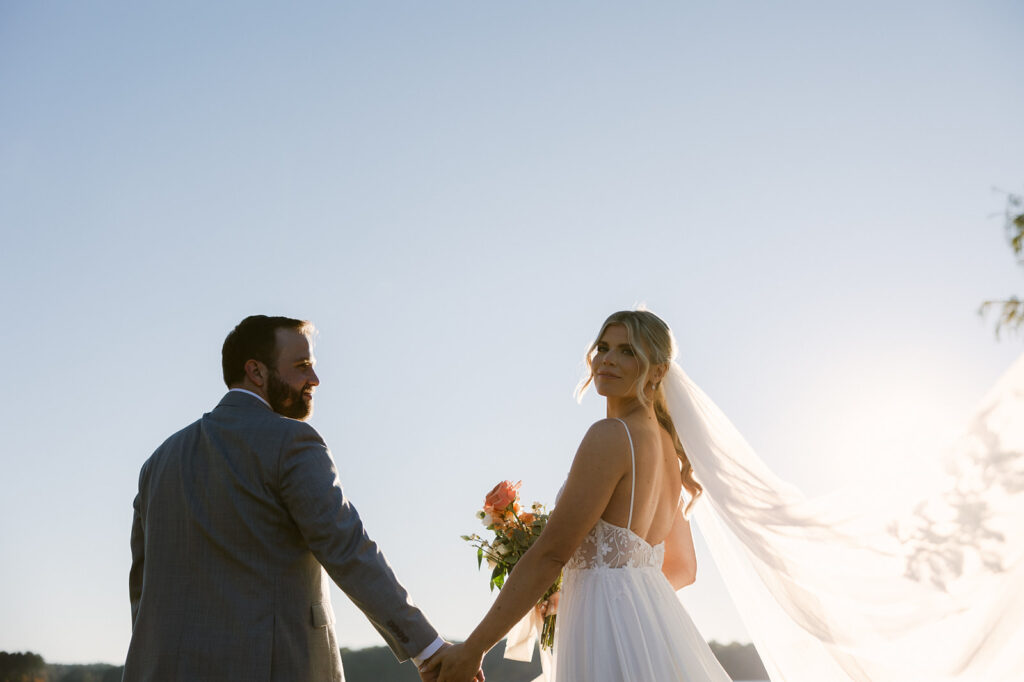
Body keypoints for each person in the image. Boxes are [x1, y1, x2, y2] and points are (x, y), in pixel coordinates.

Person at [124, 315, 459, 682]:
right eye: (302, 366)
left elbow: (142, 588)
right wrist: (429, 649)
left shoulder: (157, 462)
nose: (315, 380)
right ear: (256, 371)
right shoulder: (292, 442)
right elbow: (347, 547)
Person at [426, 310, 732, 681]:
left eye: (628, 351)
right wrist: (592, 592)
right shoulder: (670, 448)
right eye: (604, 347)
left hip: (604, 636)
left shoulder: (610, 435)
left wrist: (473, 649)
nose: (608, 359)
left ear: (657, 370)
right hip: (653, 635)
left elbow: (551, 553)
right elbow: (683, 568)